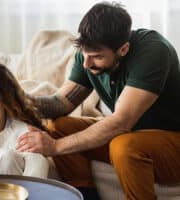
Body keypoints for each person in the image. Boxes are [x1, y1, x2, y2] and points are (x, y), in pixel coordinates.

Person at [16, 2, 180, 200]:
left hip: (172, 139)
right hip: (134, 135)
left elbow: (121, 122)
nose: (86, 63)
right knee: (59, 126)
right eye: (84, 54)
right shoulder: (87, 56)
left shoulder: (153, 51)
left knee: (123, 145)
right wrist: (16, 99)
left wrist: (55, 147)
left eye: (96, 57)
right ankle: (86, 196)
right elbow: (60, 103)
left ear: (124, 49)